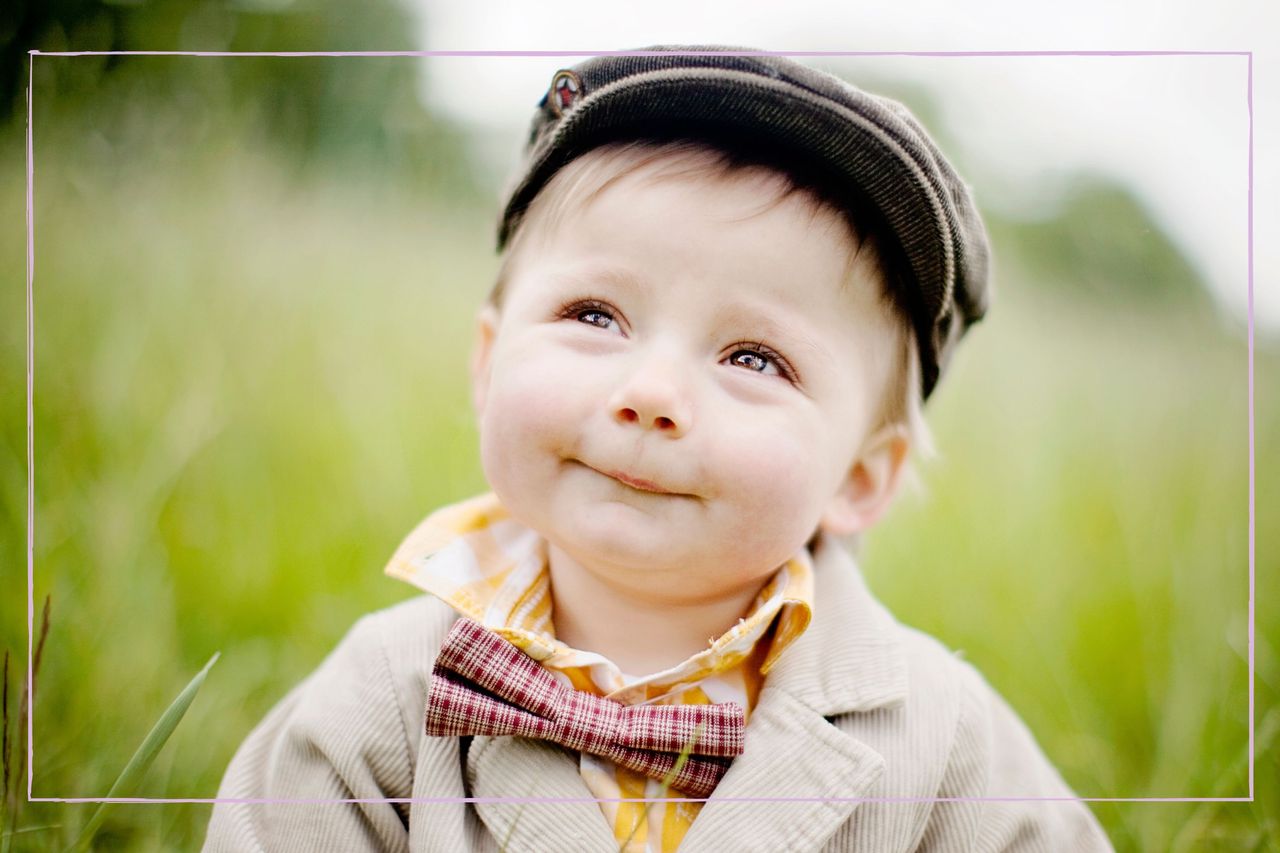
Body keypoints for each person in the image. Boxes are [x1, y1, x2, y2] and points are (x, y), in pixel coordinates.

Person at [204, 47, 1113, 852]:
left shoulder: (945, 744)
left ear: (860, 477)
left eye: (754, 358)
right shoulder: (384, 699)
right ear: (488, 365)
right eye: (594, 314)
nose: (651, 394)